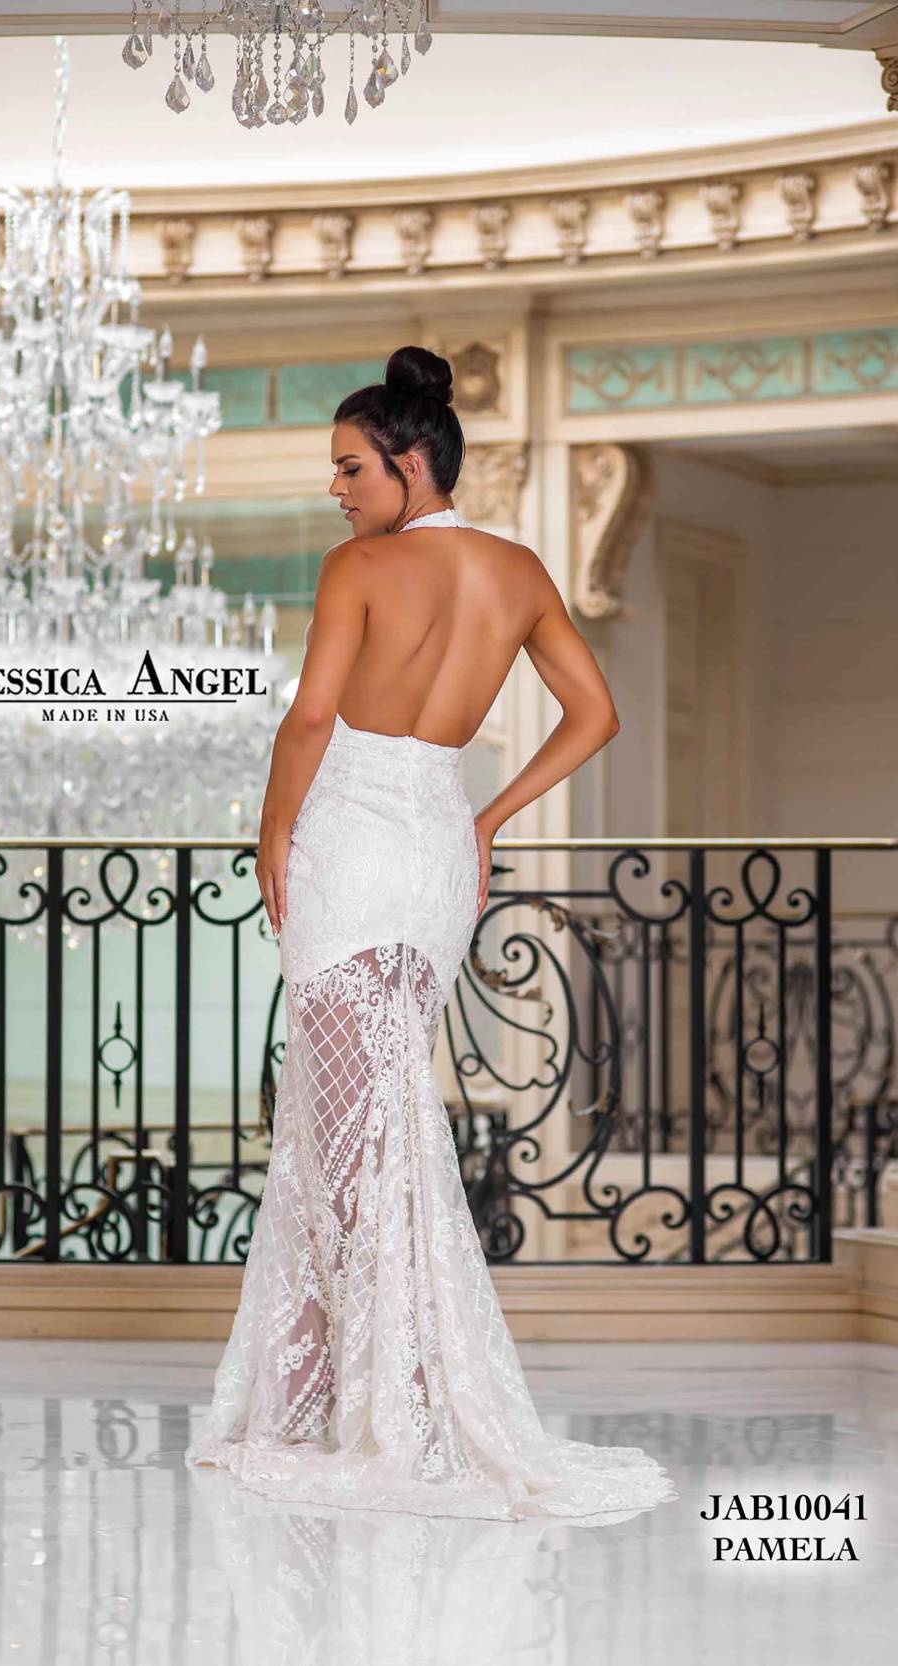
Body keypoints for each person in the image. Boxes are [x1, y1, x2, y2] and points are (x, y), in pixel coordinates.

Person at [185, 344, 676, 1524]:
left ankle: (381, 1400)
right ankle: (365, 1387)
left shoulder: (358, 567)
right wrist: (488, 815)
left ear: (411, 461)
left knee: (341, 1133)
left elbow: (311, 716)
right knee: (378, 1118)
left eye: (351, 467)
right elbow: (596, 714)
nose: (336, 488)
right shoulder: (517, 570)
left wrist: (271, 832)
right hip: (436, 854)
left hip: (351, 847)